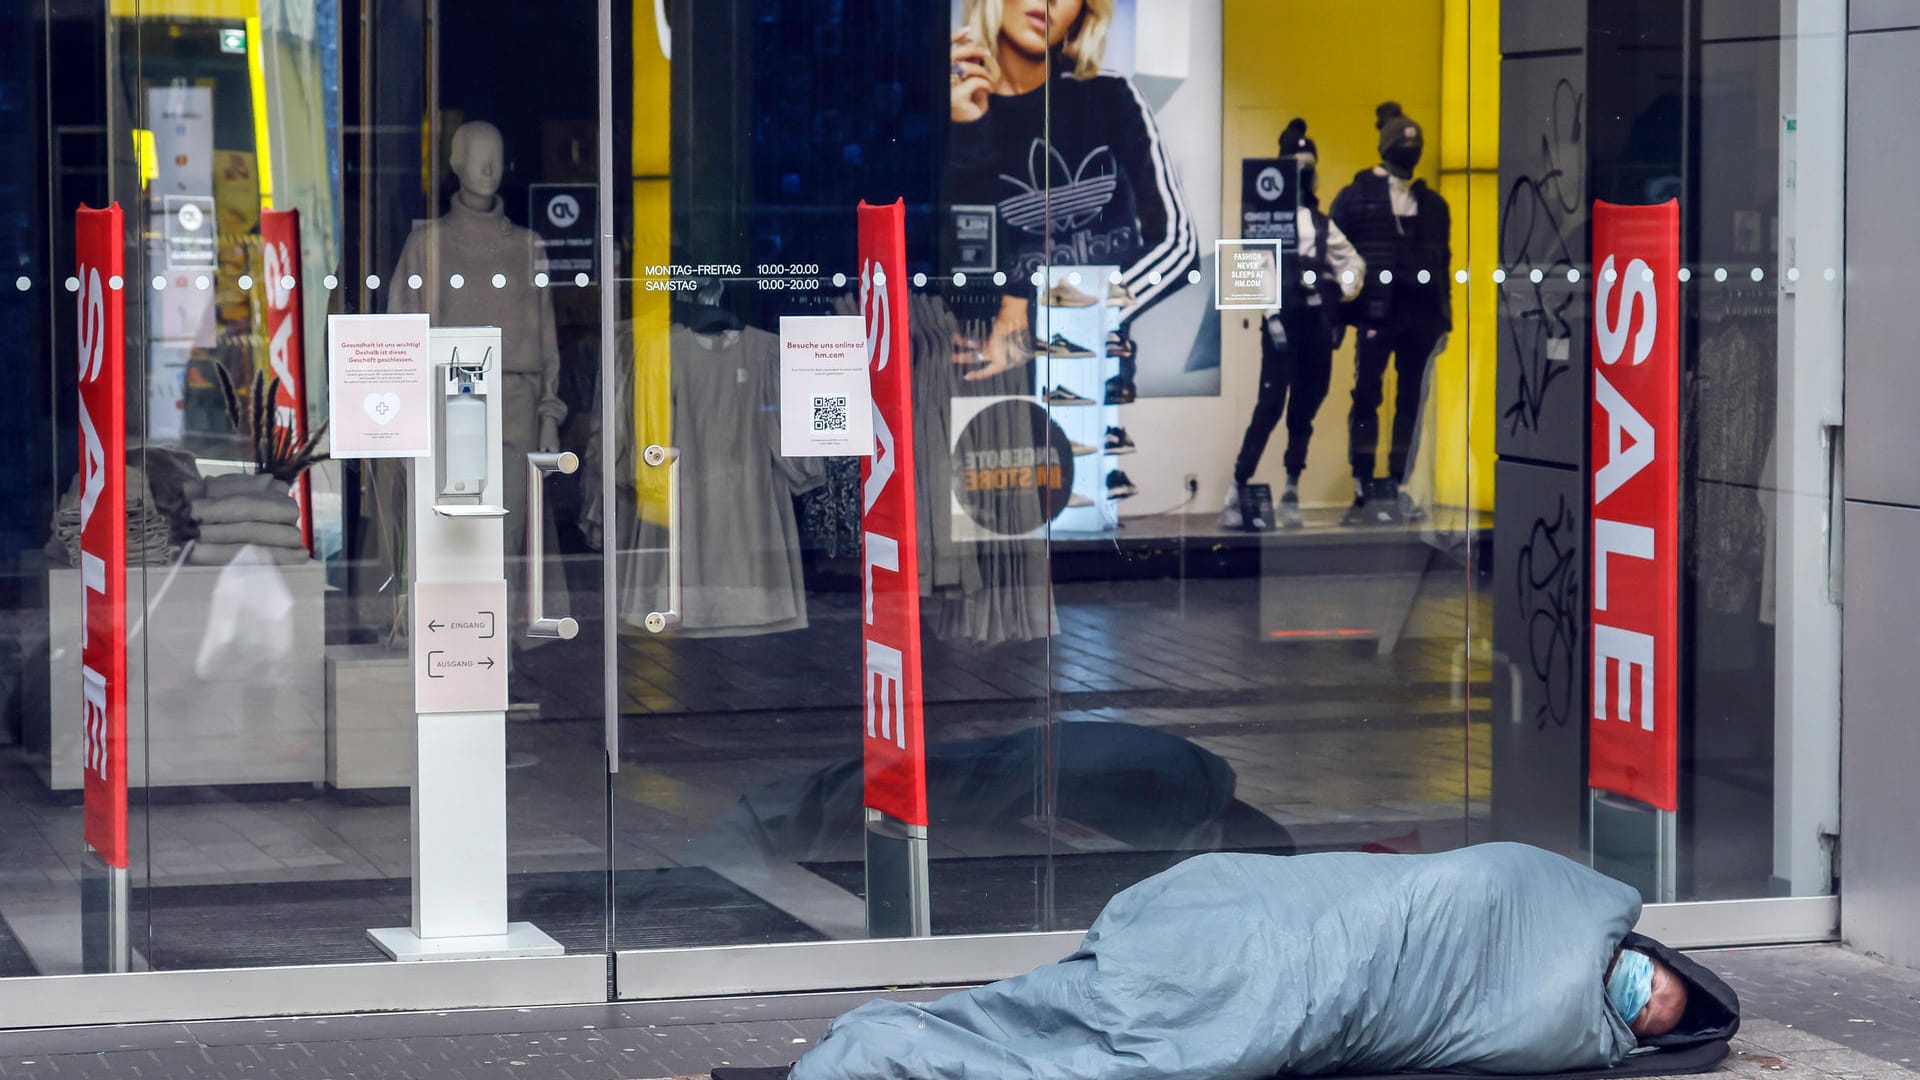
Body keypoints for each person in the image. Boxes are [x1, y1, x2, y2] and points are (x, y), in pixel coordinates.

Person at [716, 844, 1733, 1080]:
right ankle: (889, 1047)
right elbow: (1448, 889)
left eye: (1647, 1013)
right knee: (1062, 1018)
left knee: (1082, 1031)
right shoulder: (1545, 888)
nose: (1639, 997)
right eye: (1648, 976)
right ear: (1635, 942)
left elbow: (1457, 1020)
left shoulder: (1559, 1027)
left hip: (1306, 987)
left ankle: (886, 1048)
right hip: (1264, 923)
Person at [947, 0, 1198, 383]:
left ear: (1083, 11)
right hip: (971, 374)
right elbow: (942, 266)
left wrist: (1043, 323)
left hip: (1088, 385)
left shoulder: (1110, 97)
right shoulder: (949, 108)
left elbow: (1177, 248)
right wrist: (965, 135)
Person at [1226, 118, 1364, 530]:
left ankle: (1291, 487)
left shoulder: (1322, 224)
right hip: (1281, 323)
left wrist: (1344, 287)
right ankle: (1238, 484)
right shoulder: (1265, 218)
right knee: (1269, 406)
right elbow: (1253, 265)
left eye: (1308, 165)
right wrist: (1270, 316)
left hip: (1315, 323)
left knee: (1304, 410)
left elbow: (1352, 261)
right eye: (1296, 164)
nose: (1303, 172)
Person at [1330, 102, 1453, 526]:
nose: (1410, 151)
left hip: (1419, 315)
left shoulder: (1432, 205)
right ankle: (1364, 483)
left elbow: (1443, 262)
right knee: (1367, 395)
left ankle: (1399, 483)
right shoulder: (1356, 197)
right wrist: (1337, 318)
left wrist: (1444, 316)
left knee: (1411, 403)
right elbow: (1336, 257)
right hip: (1376, 313)